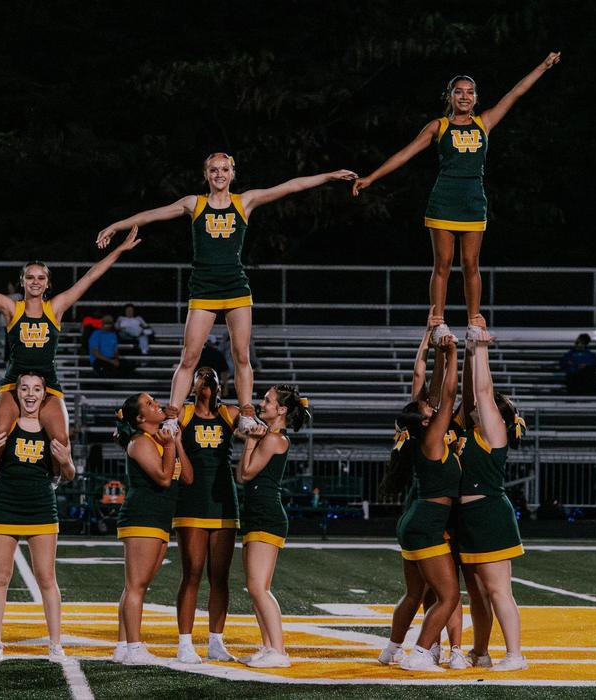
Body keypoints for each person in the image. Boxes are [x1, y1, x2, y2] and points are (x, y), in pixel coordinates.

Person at [97, 156, 357, 436]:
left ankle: (246, 413)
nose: (219, 174)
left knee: (241, 355)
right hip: (204, 289)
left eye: (224, 169)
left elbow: (291, 186)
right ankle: (172, 416)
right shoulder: (193, 204)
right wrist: (117, 225)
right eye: (213, 169)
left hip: (235, 288)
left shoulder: (244, 201)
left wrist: (329, 176)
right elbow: (152, 214)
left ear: (232, 173)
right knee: (189, 357)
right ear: (206, 174)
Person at [353, 53, 562, 337]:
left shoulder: (484, 123)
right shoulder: (438, 126)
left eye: (470, 92)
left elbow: (516, 92)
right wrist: (371, 178)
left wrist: (542, 66)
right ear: (449, 97)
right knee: (443, 263)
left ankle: (474, 317)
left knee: (470, 264)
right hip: (444, 201)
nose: (465, 96)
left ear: (476, 98)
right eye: (458, 92)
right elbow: (405, 153)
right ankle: (437, 317)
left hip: (473, 202)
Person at [0, 228, 141, 480]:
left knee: (61, 440)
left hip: (48, 383)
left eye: (40, 278)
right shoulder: (11, 308)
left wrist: (119, 250)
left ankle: (51, 479)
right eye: (30, 277)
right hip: (14, 381)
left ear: (47, 283)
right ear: (22, 281)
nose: (35, 281)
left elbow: (90, 277)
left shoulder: (55, 308)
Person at [378, 327, 479, 670]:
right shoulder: (432, 437)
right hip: (427, 523)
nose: (434, 409)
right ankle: (420, 653)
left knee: (415, 593)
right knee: (449, 595)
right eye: (428, 409)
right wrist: (452, 355)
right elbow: (448, 394)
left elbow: (436, 393)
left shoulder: (421, 438)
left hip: (415, 521)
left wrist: (438, 350)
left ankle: (391, 649)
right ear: (425, 419)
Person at [0, 372, 75, 661]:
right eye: (25, 389)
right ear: (15, 393)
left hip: (42, 506)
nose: (30, 394)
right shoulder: (4, 425)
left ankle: (55, 643)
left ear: (45, 394)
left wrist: (67, 461)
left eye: (37, 389)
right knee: (0, 576)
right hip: (5, 504)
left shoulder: (51, 427)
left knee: (46, 577)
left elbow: (69, 474)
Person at [453, 326, 528, 671]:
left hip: (490, 516)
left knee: (499, 591)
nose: (476, 407)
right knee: (479, 595)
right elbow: (472, 391)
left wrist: (480, 347)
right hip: (469, 520)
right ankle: (480, 652)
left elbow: (482, 390)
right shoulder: (471, 433)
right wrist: (468, 351)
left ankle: (515, 655)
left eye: (486, 408)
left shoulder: (493, 433)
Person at [113, 392, 194, 665]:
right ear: (140, 418)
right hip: (142, 517)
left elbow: (186, 477)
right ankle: (134, 648)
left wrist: (176, 443)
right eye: (149, 404)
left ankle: (123, 645)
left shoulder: (158, 440)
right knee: (135, 585)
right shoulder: (139, 442)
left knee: (138, 585)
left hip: (159, 519)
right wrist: (169, 446)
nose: (156, 404)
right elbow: (162, 478)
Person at [236, 384, 311, 668]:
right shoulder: (269, 436)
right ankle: (268, 646)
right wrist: (252, 439)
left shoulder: (273, 439)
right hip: (258, 514)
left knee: (258, 588)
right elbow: (244, 473)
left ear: (281, 410)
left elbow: (244, 474)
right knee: (256, 586)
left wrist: (249, 441)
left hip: (267, 515)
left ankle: (278, 651)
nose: (261, 403)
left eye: (267, 401)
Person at [172, 368, 238, 665]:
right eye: (201, 376)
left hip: (224, 501)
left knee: (220, 577)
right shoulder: (183, 414)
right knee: (193, 573)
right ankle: (185, 643)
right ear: (192, 385)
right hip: (192, 500)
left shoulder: (230, 414)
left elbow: (259, 427)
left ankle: (216, 641)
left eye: (212, 376)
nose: (208, 379)